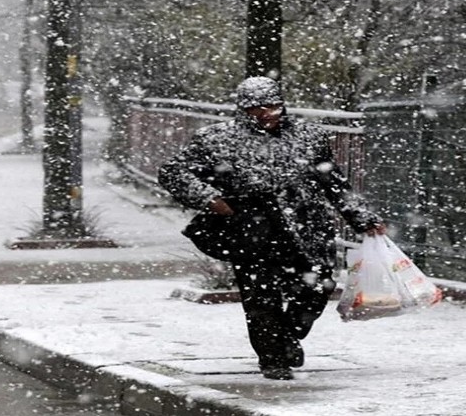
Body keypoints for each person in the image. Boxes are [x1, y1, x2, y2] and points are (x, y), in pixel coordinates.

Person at [158, 76, 385, 380]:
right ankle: (273, 357)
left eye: (273, 105)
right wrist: (210, 199)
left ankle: (288, 337)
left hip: (307, 226)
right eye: (256, 108)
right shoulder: (215, 139)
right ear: (243, 109)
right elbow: (174, 172)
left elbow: (334, 184)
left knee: (318, 288)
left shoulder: (310, 136)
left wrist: (362, 217)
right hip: (251, 228)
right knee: (261, 296)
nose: (267, 113)